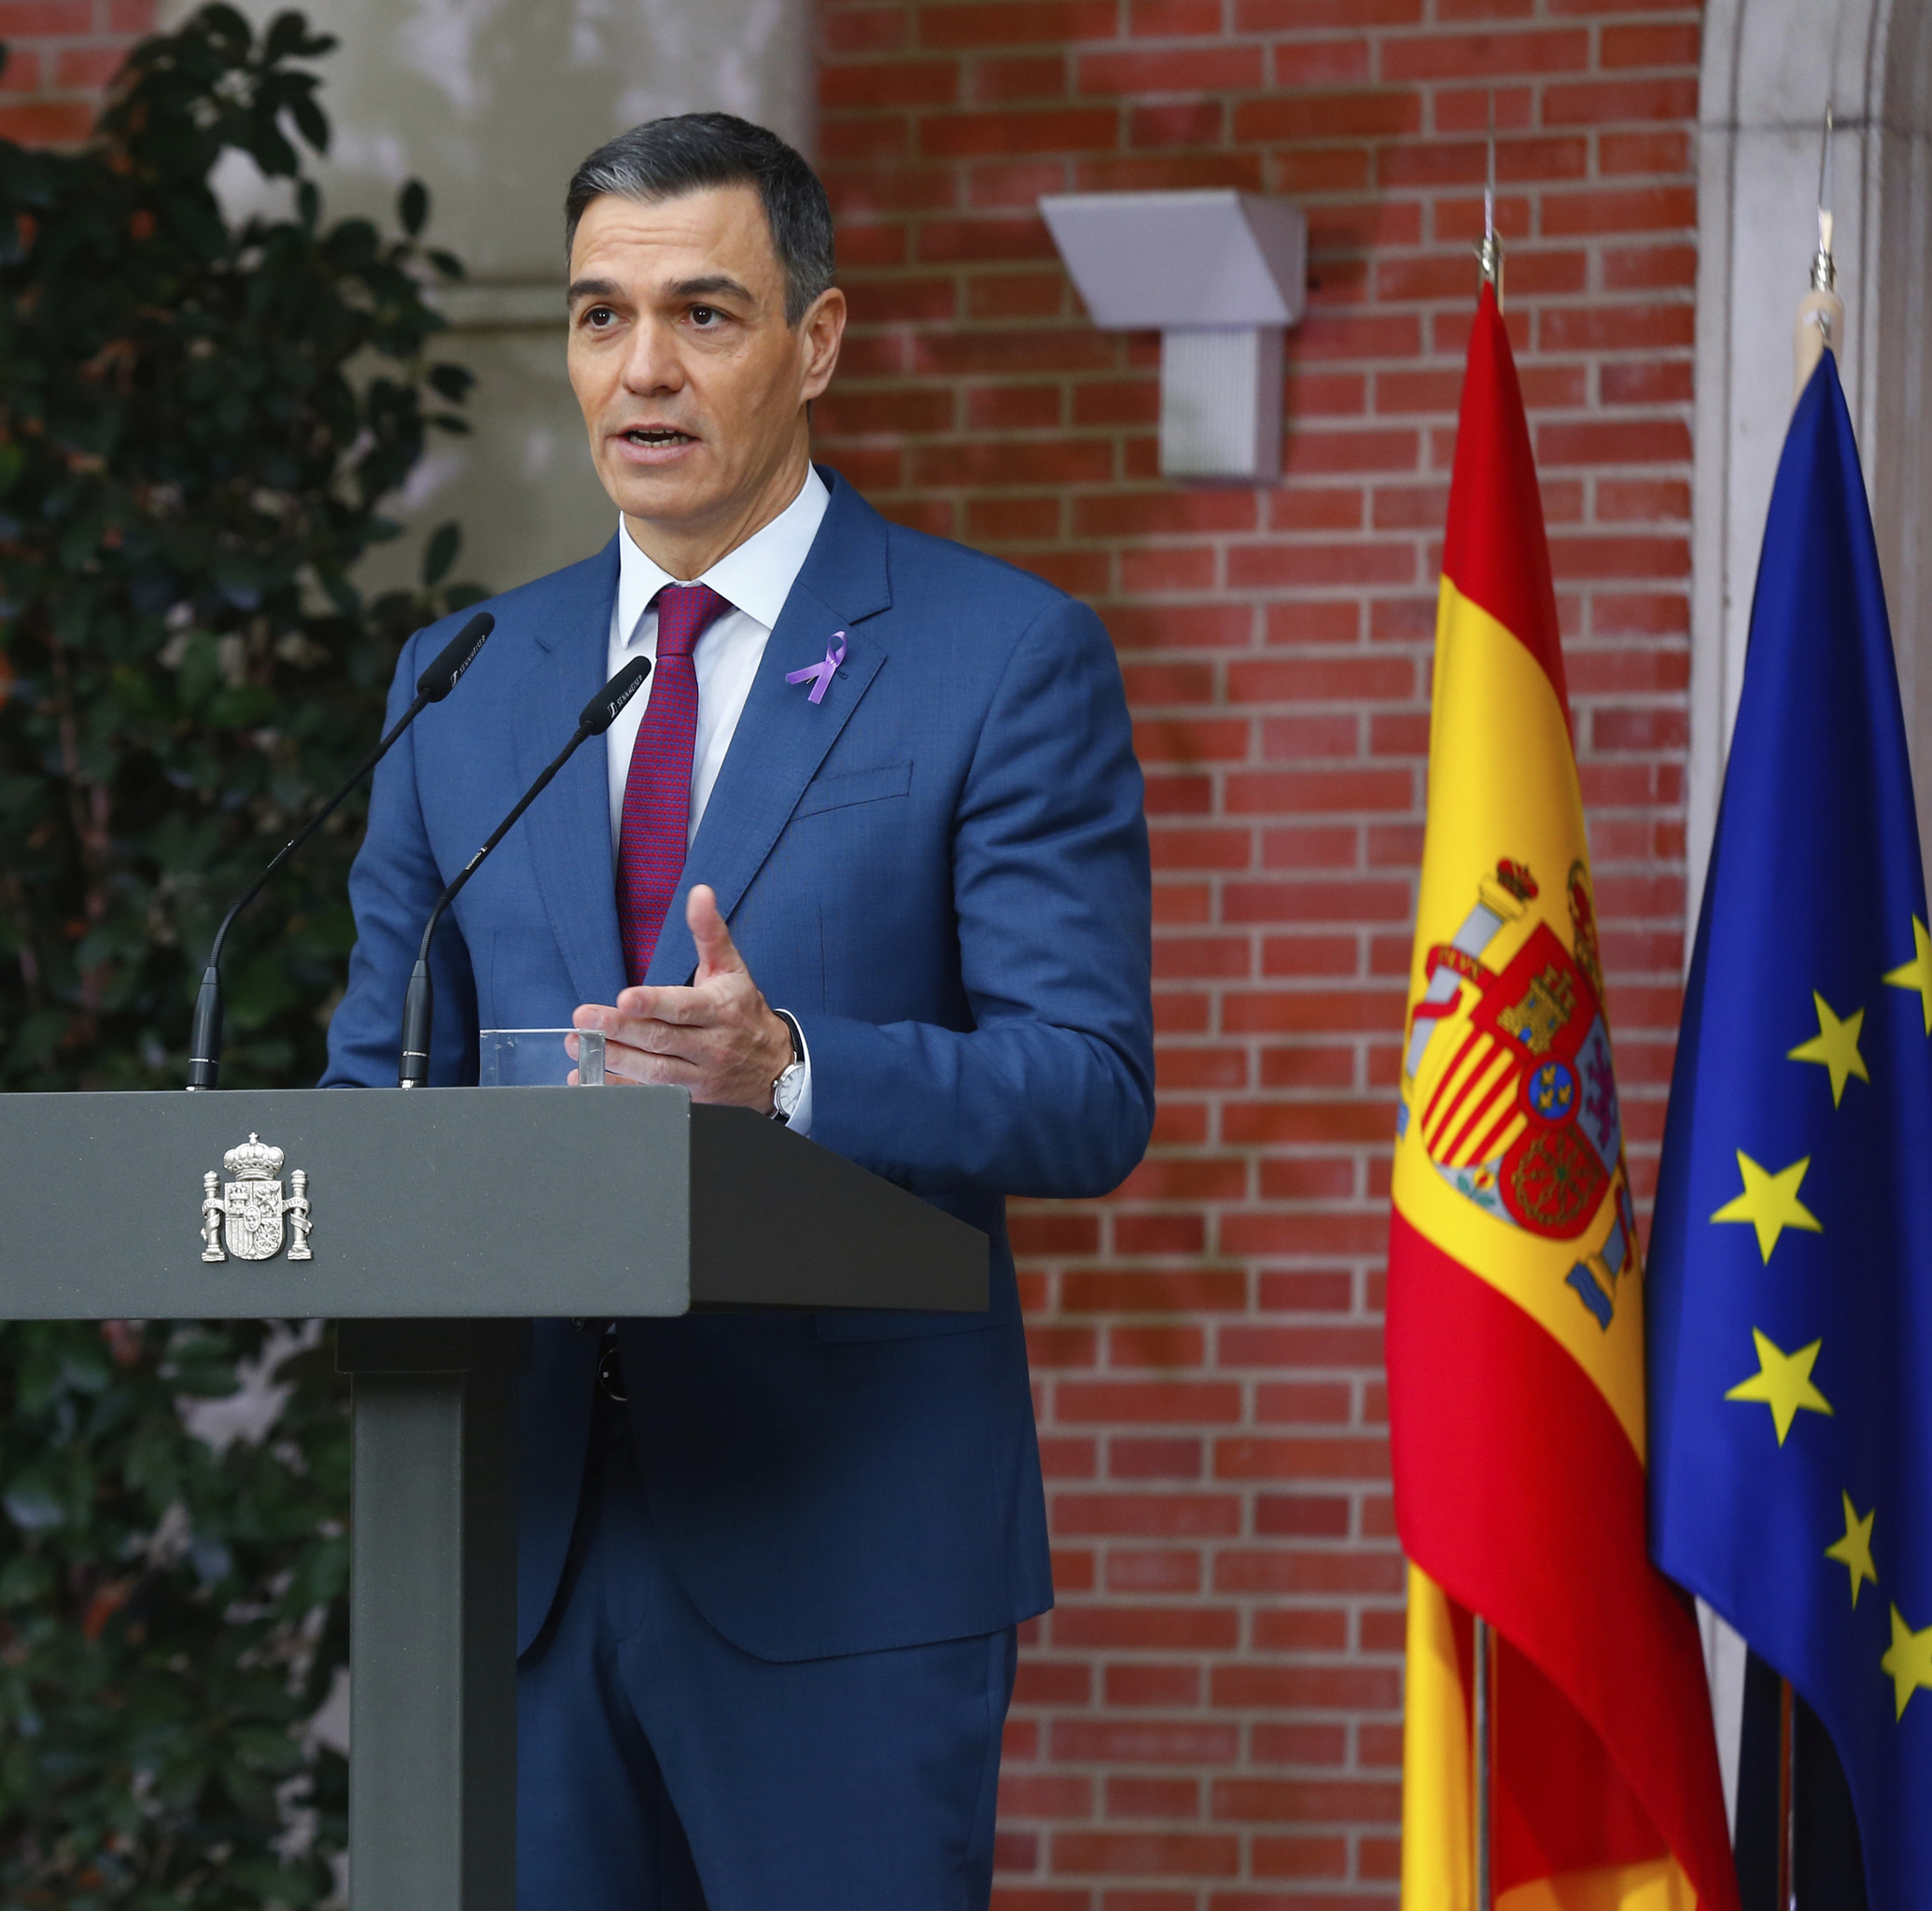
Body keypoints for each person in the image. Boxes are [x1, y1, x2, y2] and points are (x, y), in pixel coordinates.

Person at [320, 111, 1154, 1910]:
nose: (642, 370)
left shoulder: (996, 656)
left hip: (841, 1552)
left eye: (704, 313)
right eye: (598, 315)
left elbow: (1085, 1089)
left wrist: (792, 1073)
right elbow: (369, 1075)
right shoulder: (464, 678)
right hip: (515, 1541)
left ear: (818, 343)